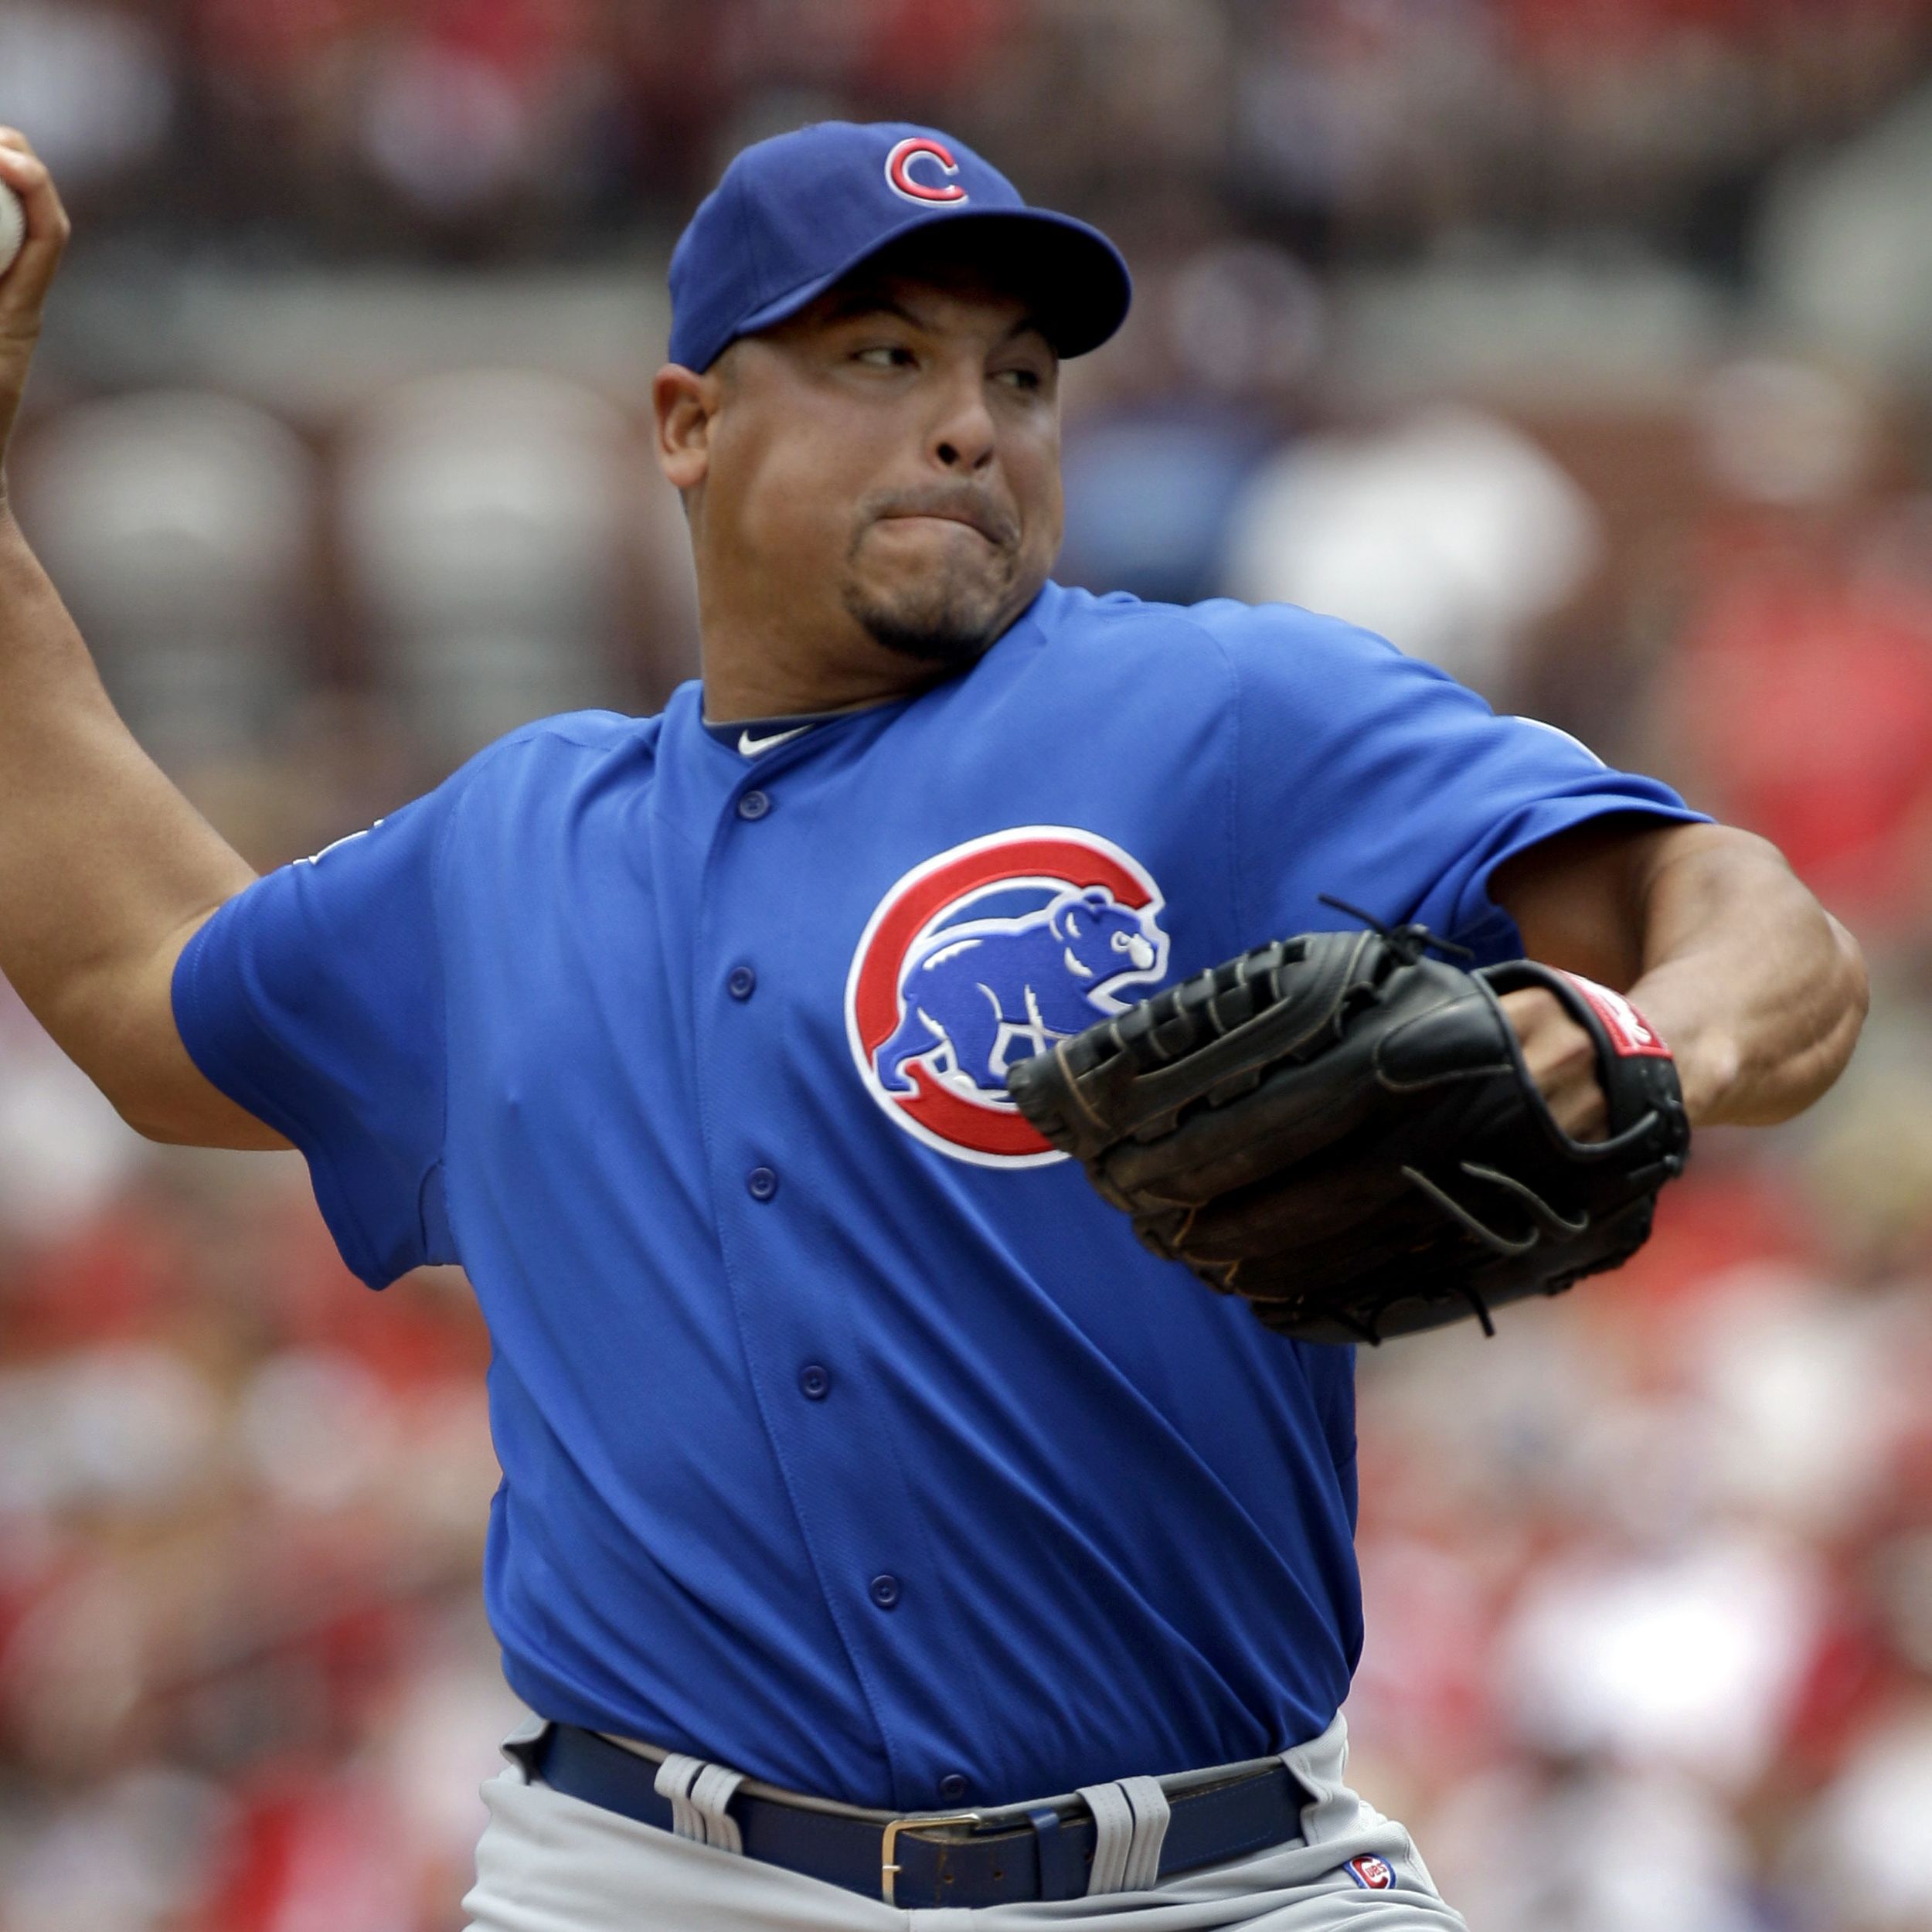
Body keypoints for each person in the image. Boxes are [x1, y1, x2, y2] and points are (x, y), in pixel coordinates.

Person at [0, 120, 1866, 1930]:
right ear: (686, 422)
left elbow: (1756, 931)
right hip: (646, 1876)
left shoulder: (1218, 714)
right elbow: (134, 987)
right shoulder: (508, 847)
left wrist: (1638, 1039)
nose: (972, 422)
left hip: (1210, 1874)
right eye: (879, 357)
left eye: (1024, 374)